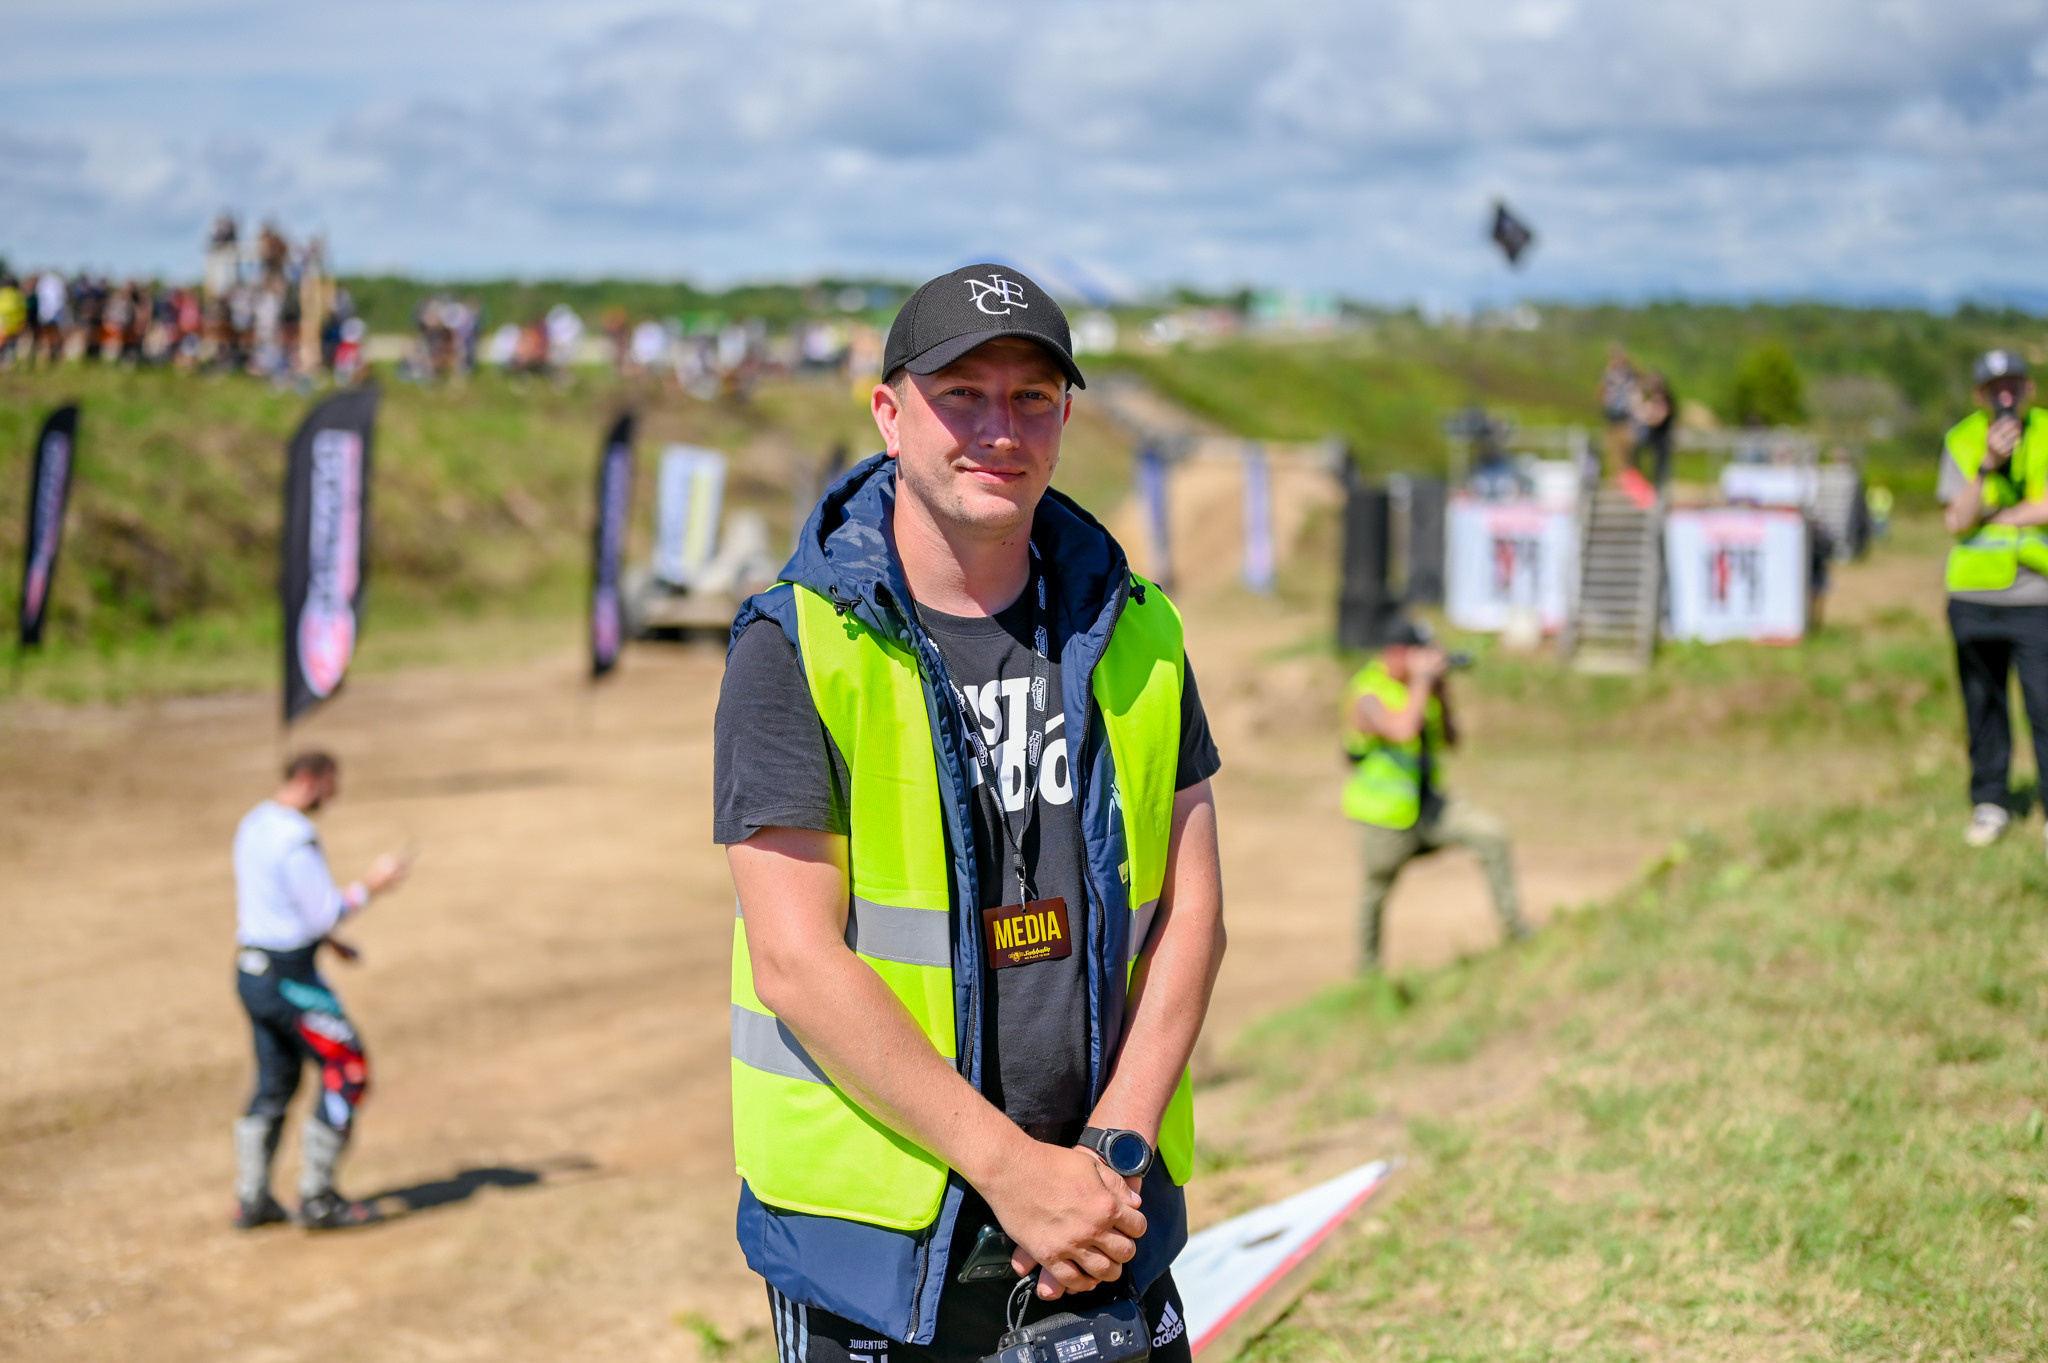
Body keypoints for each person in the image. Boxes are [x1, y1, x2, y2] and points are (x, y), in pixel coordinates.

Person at [714, 263, 1227, 1363]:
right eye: (962, 395)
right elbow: (796, 961)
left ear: (1064, 419)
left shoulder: (1138, 629)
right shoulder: (792, 644)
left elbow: (1193, 914)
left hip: (1104, 1217)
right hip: (887, 1250)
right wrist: (1014, 1173)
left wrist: (1110, 1159)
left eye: (1031, 398)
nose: (999, 429)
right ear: (889, 415)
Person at [230, 751, 409, 1230]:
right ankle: (318, 1198)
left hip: (253, 971)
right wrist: (374, 884)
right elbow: (324, 911)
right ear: (309, 781)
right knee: (347, 1068)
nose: (334, 794)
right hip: (292, 981)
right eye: (331, 783)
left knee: (276, 1081)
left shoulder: (255, 823)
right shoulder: (297, 837)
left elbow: (279, 903)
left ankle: (252, 1198)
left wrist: (328, 943)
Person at [1343, 620, 1526, 970]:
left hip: (1430, 806)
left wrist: (1440, 692)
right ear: (1397, 653)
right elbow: (1401, 728)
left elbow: (1452, 741)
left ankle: (1515, 928)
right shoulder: (1367, 691)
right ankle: (1367, 971)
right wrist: (1423, 683)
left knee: (1493, 835)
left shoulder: (1421, 688)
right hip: (1385, 817)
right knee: (1376, 892)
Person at [1937, 349, 2048, 851]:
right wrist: (1987, 466)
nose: (2006, 395)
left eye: (2015, 384)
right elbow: (1957, 520)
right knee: (1983, 704)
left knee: (2045, 705)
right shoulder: (1962, 439)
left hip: (2037, 595)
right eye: (1995, 387)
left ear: (2029, 388)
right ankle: (1991, 802)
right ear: (1980, 394)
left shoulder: (2046, 431)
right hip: (1975, 596)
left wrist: (1998, 517)